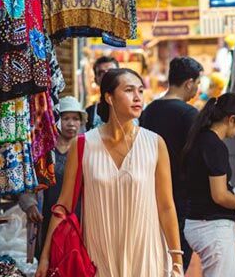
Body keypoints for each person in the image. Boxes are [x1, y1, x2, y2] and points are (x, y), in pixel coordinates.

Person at [37, 68, 183, 277]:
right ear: (109, 97)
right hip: (99, 256)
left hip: (147, 254)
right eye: (129, 90)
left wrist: (176, 260)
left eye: (141, 91)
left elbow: (167, 207)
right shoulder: (83, 144)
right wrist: (45, 258)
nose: (137, 97)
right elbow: (63, 205)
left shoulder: (155, 143)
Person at [182, 93, 235, 277]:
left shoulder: (201, 139)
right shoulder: (214, 145)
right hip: (211, 227)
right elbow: (219, 195)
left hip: (201, 222)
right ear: (231, 119)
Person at [139, 56, 203, 270]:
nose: (197, 89)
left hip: (149, 193)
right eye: (198, 83)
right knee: (177, 258)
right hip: (180, 198)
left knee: (154, 255)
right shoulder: (190, 114)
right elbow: (198, 159)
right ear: (189, 83)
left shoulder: (148, 111)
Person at [37, 96, 86, 258]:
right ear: (57, 121)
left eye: (75, 119)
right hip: (48, 214)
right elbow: (33, 181)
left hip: (77, 216)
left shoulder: (86, 150)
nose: (71, 123)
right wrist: (30, 205)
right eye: (66, 118)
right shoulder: (47, 151)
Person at [85, 56, 119, 130]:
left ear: (120, 76)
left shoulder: (135, 109)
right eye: (101, 72)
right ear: (95, 79)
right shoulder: (89, 114)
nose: (106, 75)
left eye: (111, 71)